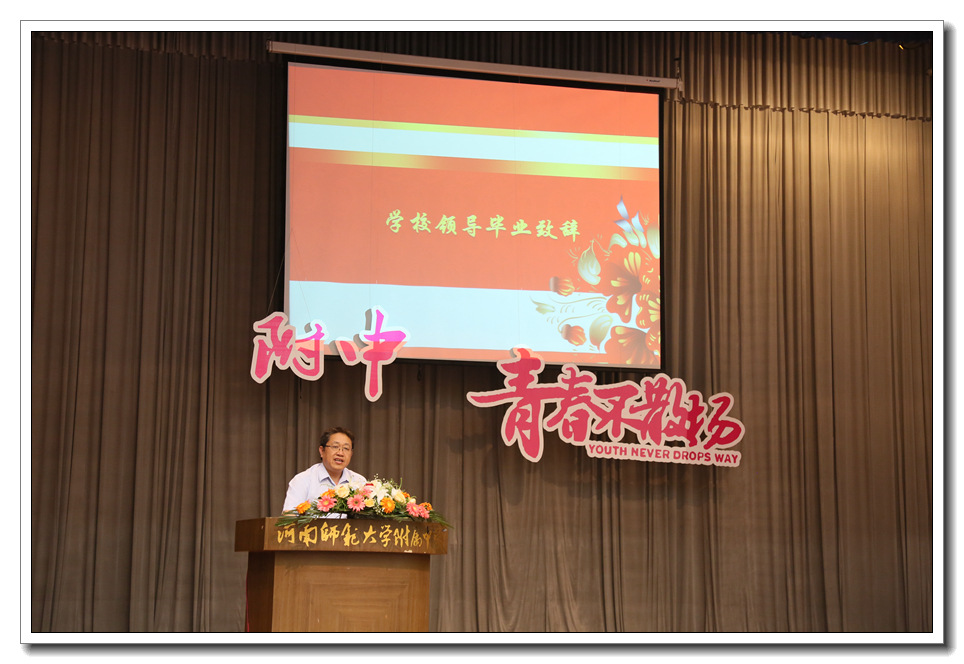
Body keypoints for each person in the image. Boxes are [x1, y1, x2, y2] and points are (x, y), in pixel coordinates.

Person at [282, 426, 367, 515]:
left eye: (346, 448)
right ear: (322, 451)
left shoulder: (359, 482)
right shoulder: (303, 480)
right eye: (335, 446)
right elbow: (289, 516)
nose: (340, 453)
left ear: (351, 454)